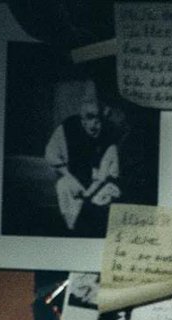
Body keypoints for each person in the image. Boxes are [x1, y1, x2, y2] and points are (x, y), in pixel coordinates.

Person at [44, 83, 121, 237]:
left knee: (103, 201)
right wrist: (68, 176)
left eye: (98, 119)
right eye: (89, 118)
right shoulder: (68, 127)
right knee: (63, 186)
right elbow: (51, 154)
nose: (94, 124)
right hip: (76, 179)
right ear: (82, 119)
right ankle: (72, 229)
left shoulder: (109, 134)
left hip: (101, 183)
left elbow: (108, 173)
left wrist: (92, 191)